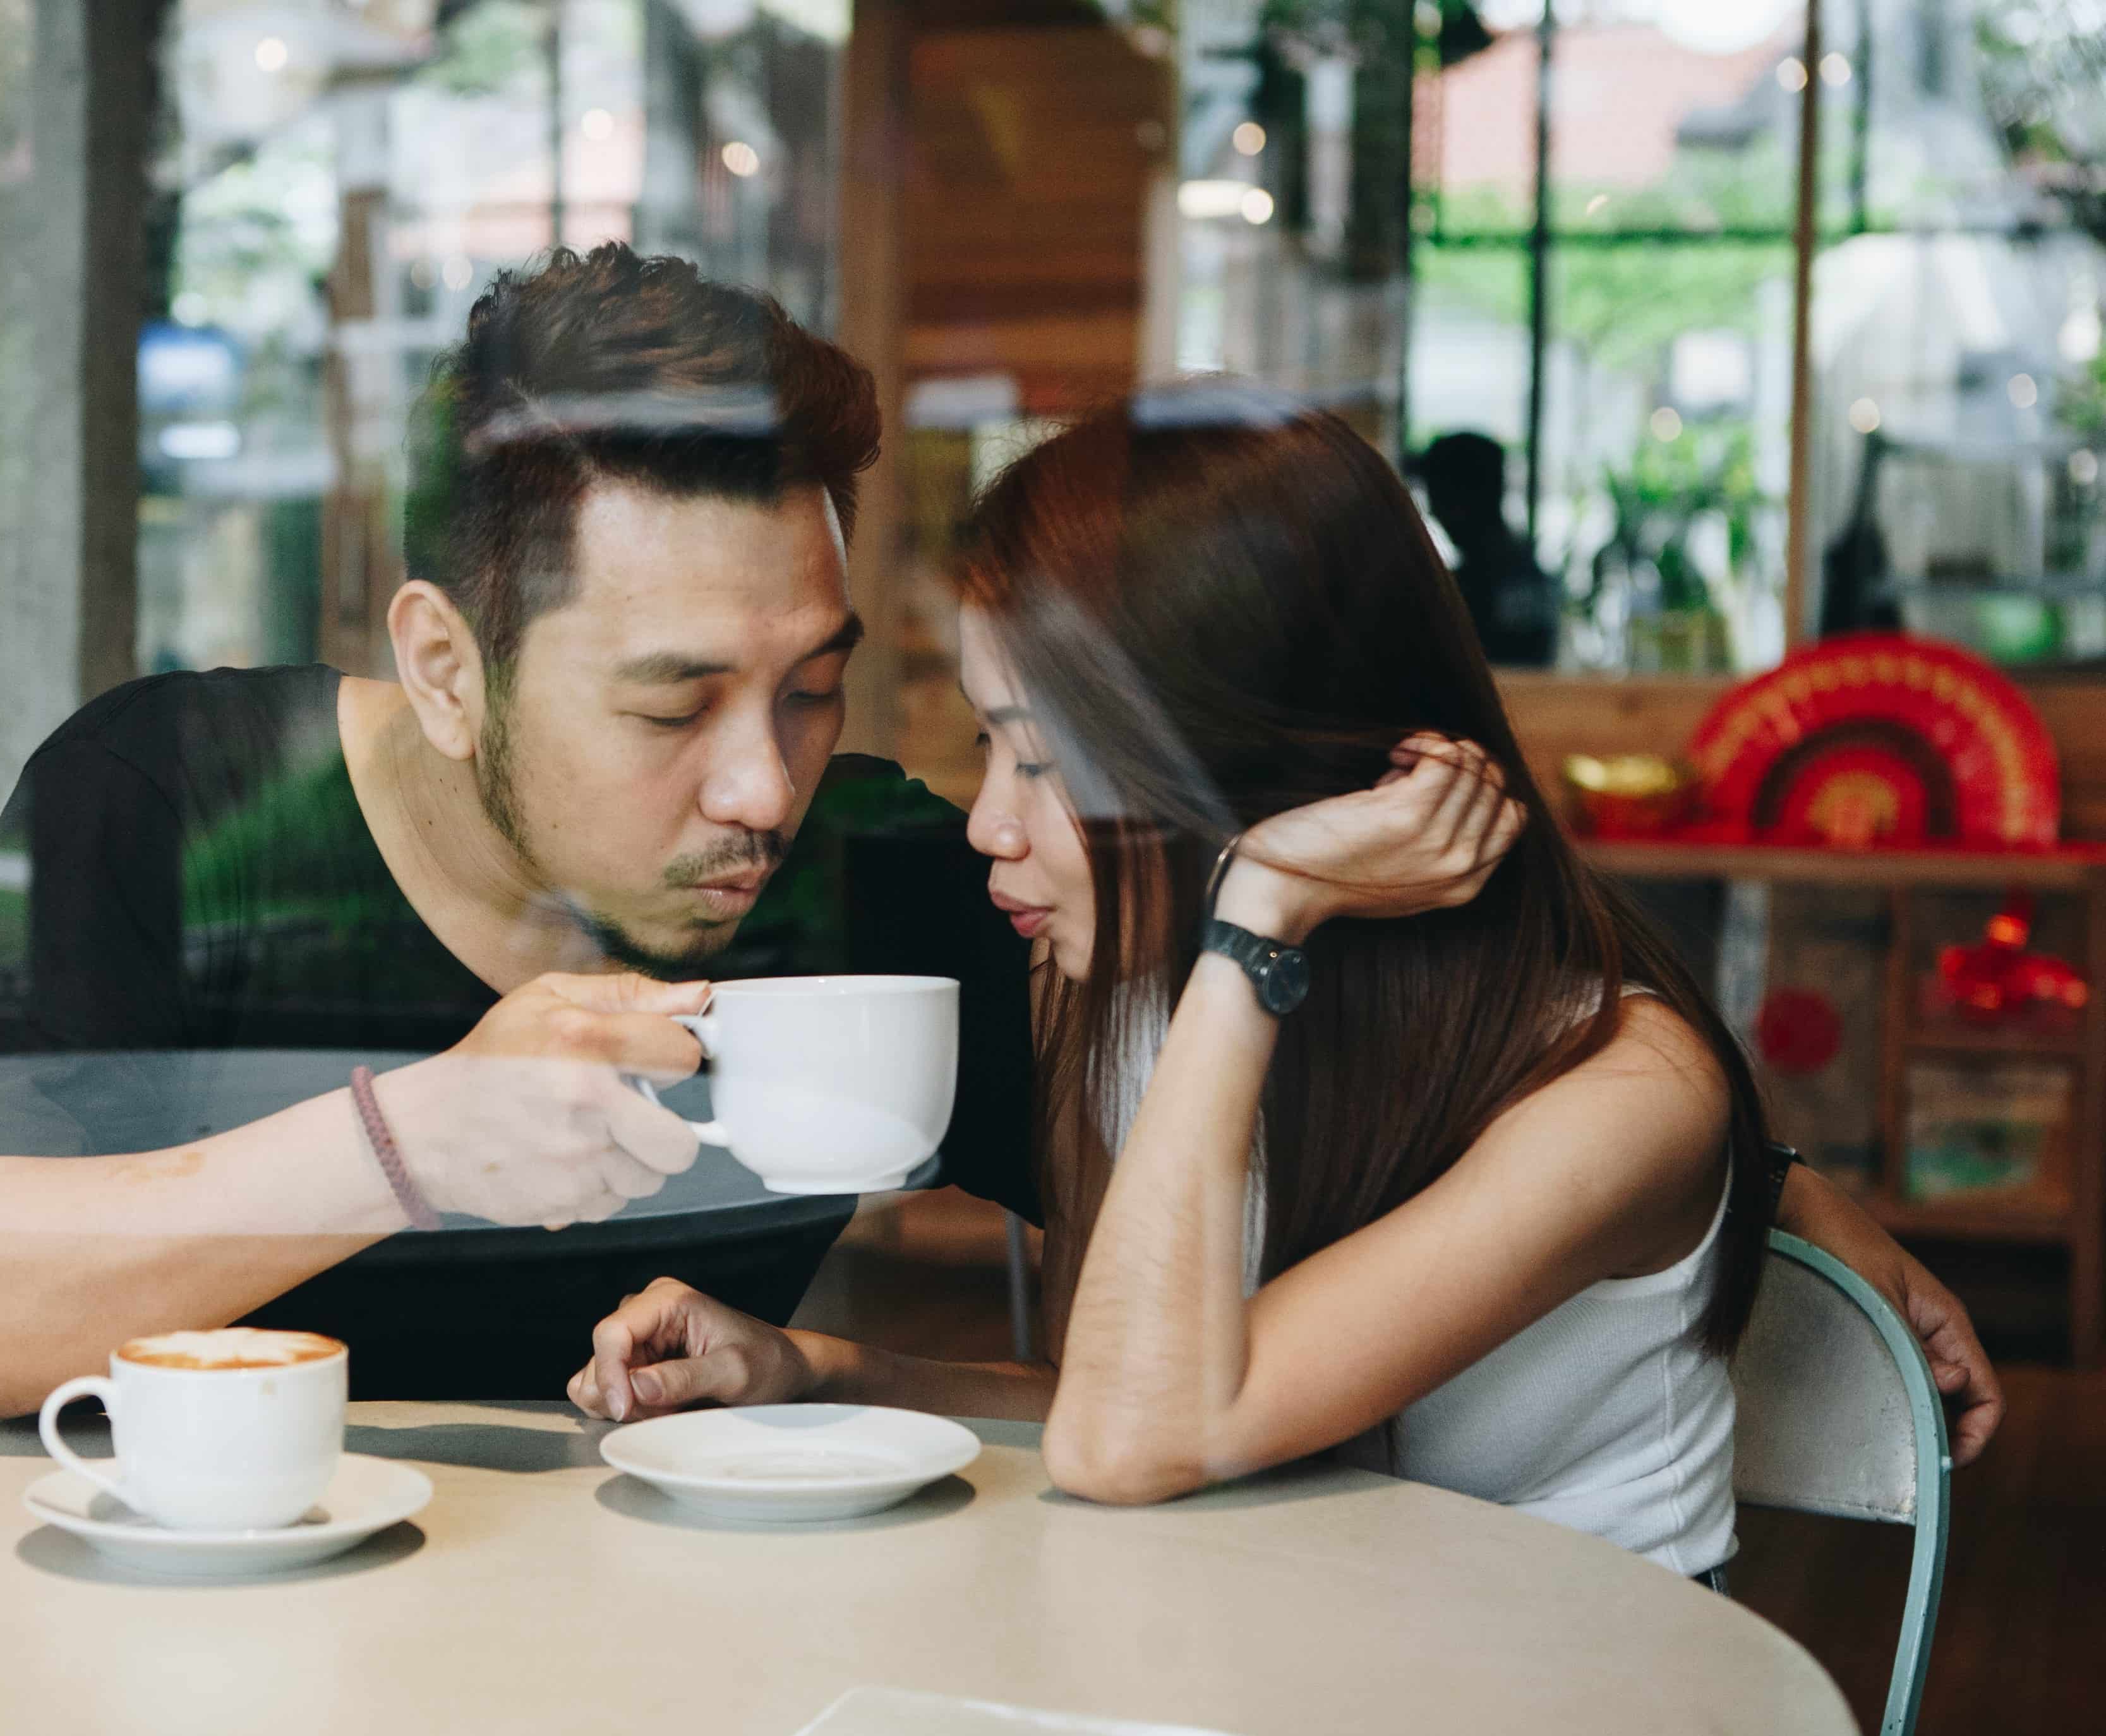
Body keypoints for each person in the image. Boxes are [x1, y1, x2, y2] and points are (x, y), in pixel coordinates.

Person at [570, 389, 2003, 1576]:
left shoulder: (1623, 1090)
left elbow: (1136, 1439)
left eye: (1048, 760)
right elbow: (1152, 1396)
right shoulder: (1147, 1001)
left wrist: (1255, 920)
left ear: (1261, 769)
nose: (991, 823)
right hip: (1293, 1671)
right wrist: (820, 1370)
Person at [0, 245, 1037, 1436]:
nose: (766, 791)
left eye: (810, 689)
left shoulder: (878, 868)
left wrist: (828, 1373)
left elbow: (1207, 1339)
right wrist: (407, 1144)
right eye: (673, 706)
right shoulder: (178, 800)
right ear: (447, 670)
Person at [1413, 431, 1559, 668]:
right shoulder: (1529, 572)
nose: (1432, 511)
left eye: (1436, 493)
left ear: (1463, 497)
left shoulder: (1468, 588)